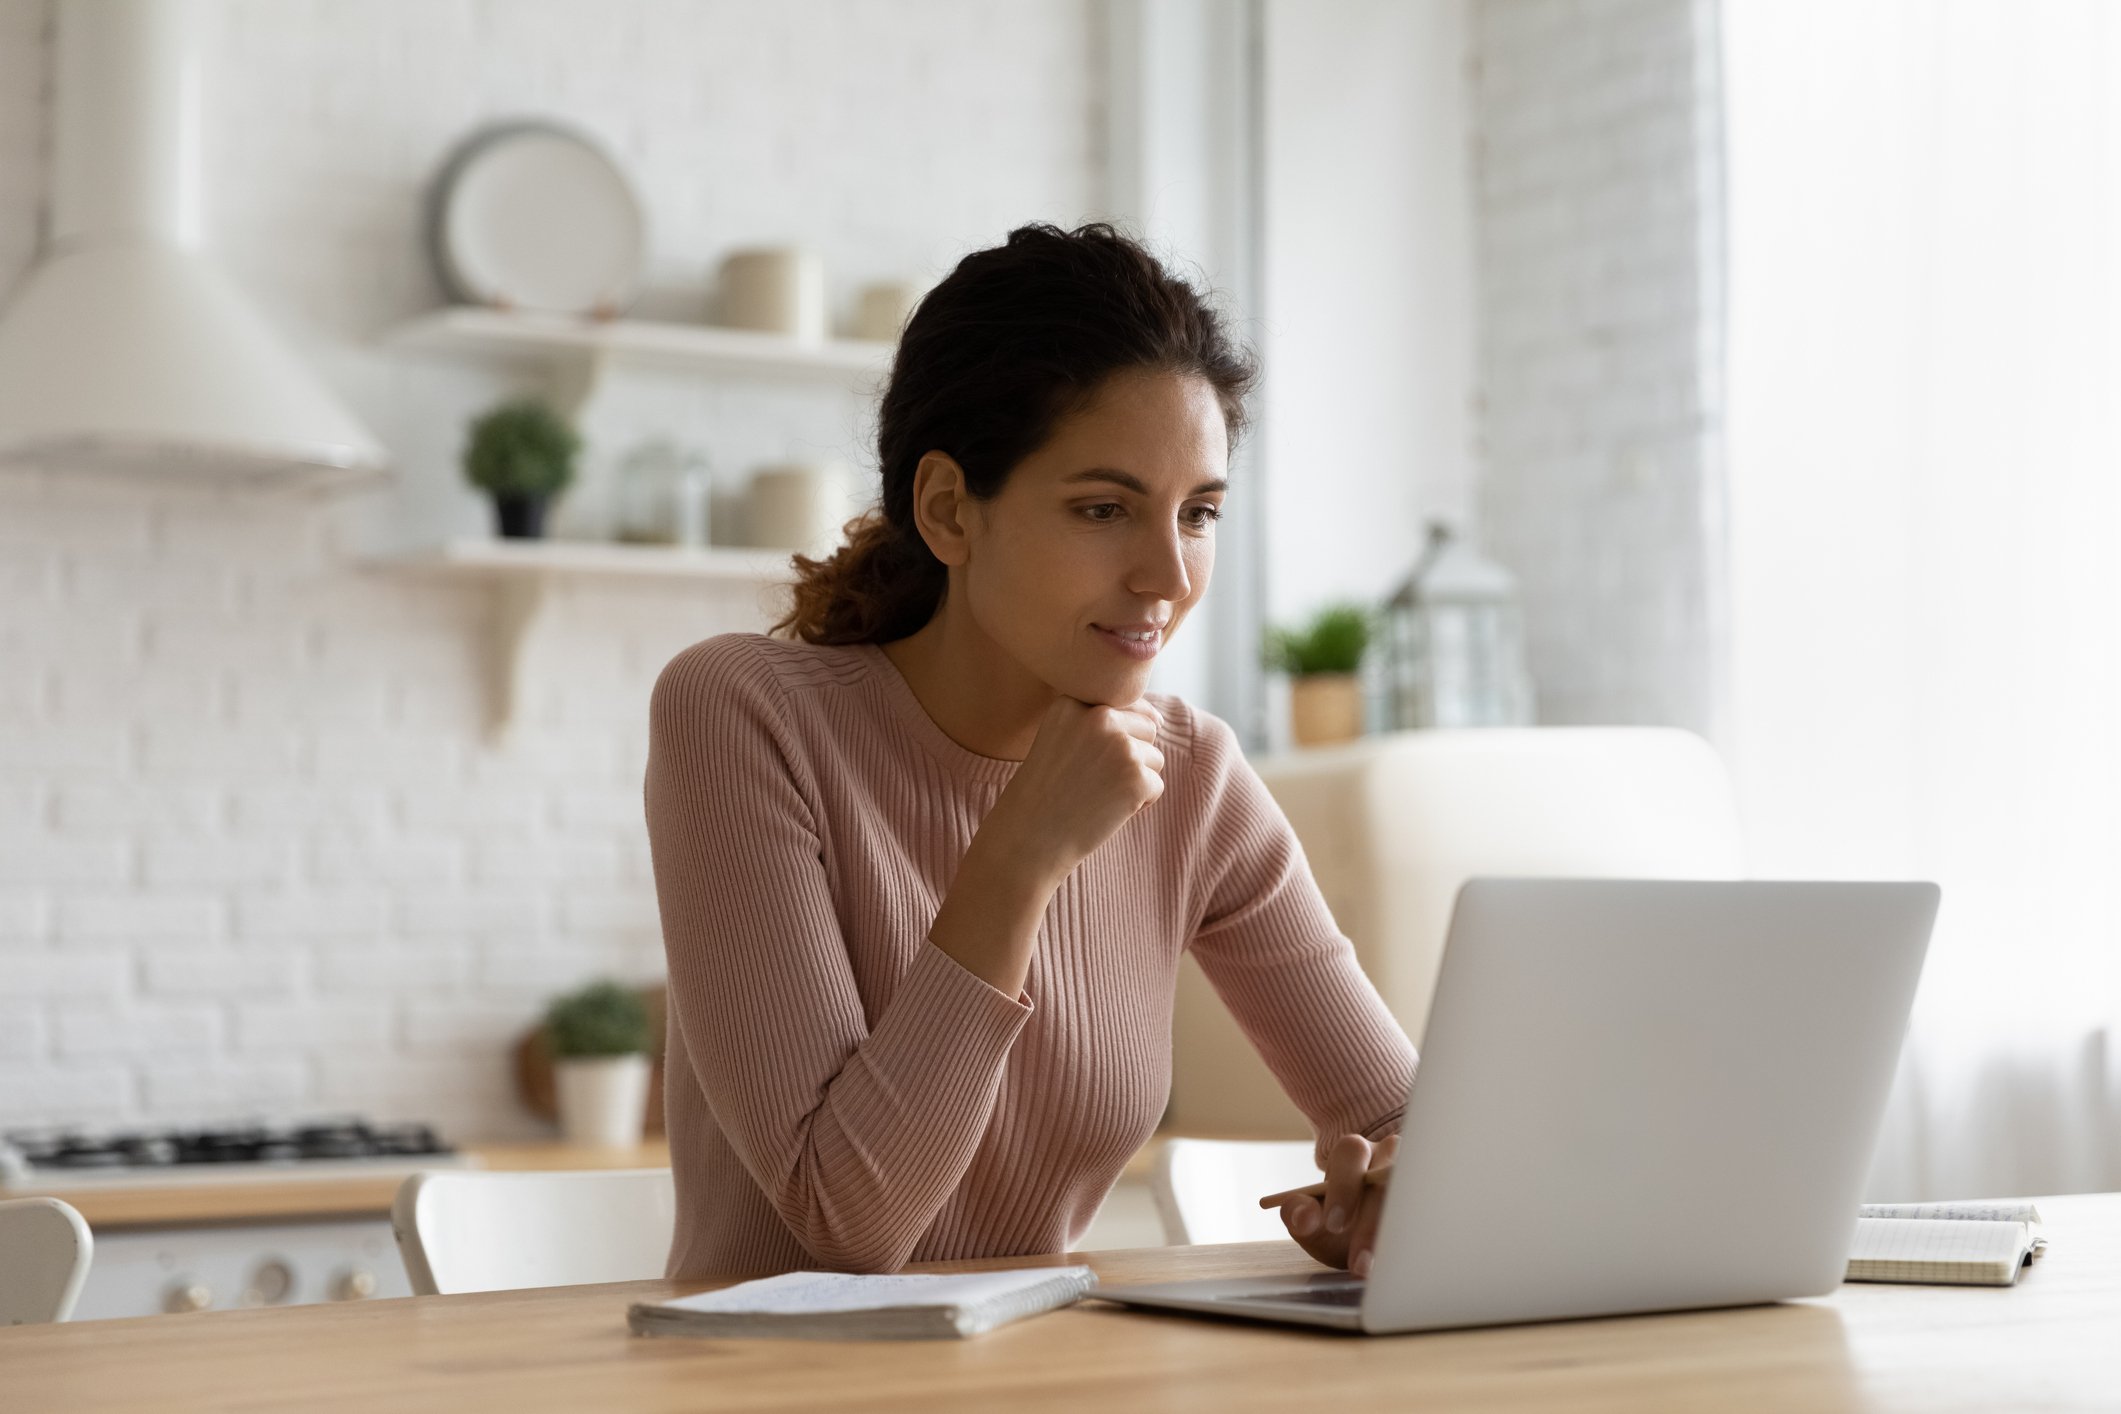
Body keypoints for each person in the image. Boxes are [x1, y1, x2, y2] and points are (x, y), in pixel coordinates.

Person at [644, 222, 1417, 1281]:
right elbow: (850, 1220)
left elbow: (1404, 1116)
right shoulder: (746, 715)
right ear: (951, 511)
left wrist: (1389, 1198)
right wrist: (1018, 859)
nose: (1168, 576)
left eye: (1197, 514)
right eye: (1104, 509)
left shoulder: (1192, 778)